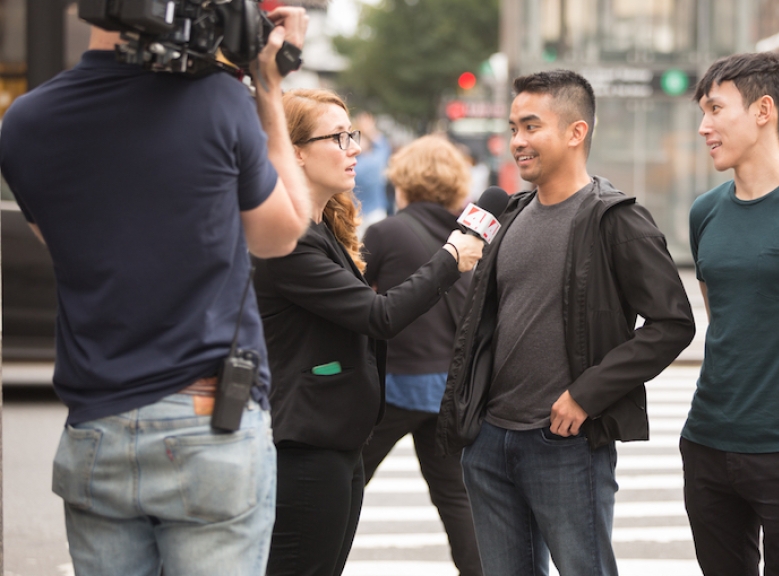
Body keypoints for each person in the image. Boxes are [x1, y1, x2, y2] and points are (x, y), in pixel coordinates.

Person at [0, 8, 311, 576]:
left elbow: (61, 242)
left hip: (96, 427)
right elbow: (283, 233)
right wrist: (268, 86)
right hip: (206, 422)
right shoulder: (220, 101)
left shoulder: (26, 121)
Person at [436, 70, 695, 576]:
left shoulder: (615, 219)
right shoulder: (511, 213)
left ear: (576, 132)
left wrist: (588, 393)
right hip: (489, 440)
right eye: (513, 128)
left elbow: (673, 323)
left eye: (531, 127)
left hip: (564, 444)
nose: (517, 142)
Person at [252, 89, 484, 576]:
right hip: (304, 445)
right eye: (338, 137)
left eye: (351, 134)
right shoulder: (289, 241)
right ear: (294, 150)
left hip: (338, 440)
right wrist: (449, 258)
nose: (354, 147)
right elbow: (379, 316)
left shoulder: (323, 232)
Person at [681, 51, 779, 576]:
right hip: (706, 440)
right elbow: (722, 316)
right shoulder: (706, 212)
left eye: (716, 109)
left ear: (763, 110)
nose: (704, 126)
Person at [360, 135, 484, 576]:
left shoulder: (385, 232)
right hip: (449, 392)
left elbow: (360, 302)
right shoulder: (470, 239)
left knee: (347, 481)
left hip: (395, 387)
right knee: (455, 497)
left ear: (403, 181)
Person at [353, 111, 391, 233]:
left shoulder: (355, 163)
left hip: (364, 213)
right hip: (369, 212)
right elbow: (382, 145)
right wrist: (369, 129)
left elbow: (382, 146)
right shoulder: (375, 159)